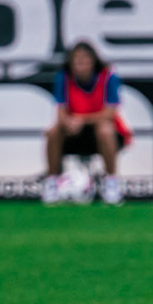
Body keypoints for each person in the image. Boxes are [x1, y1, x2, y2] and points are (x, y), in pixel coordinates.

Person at [41, 41, 132, 206]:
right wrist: (69, 122)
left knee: (104, 129)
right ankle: (52, 183)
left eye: (85, 59)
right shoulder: (63, 77)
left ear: (93, 61)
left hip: (106, 135)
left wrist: (81, 120)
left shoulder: (108, 77)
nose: (81, 64)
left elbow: (109, 113)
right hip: (73, 133)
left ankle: (111, 183)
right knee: (53, 131)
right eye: (77, 60)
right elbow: (60, 111)